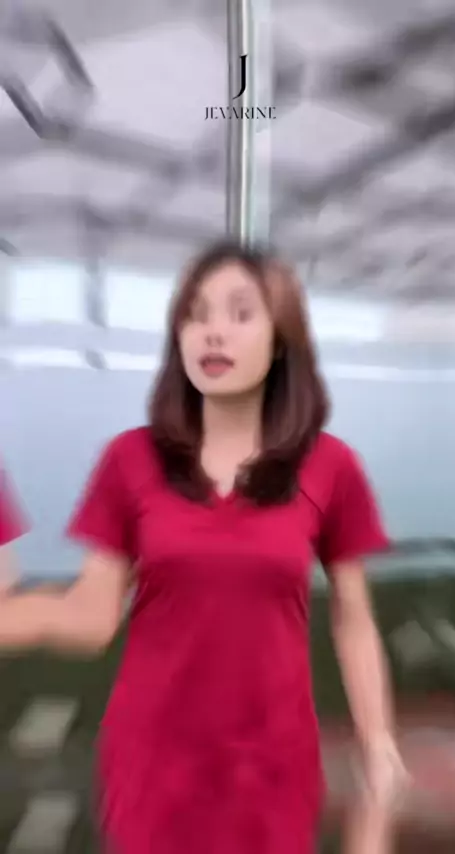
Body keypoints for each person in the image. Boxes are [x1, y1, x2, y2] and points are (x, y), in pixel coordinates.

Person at [0, 241, 404, 853]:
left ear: (281, 339)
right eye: (196, 314)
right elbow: (89, 616)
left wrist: (378, 744)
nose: (213, 332)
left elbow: (354, 619)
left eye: (240, 313)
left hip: (275, 766)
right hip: (151, 766)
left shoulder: (331, 467)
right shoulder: (129, 459)